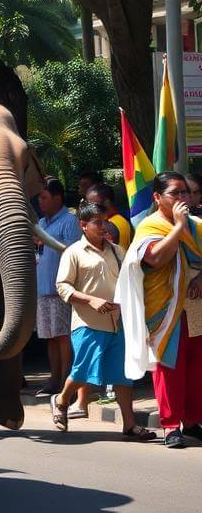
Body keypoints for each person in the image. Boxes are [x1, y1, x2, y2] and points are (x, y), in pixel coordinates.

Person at [50, 201, 156, 441]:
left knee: (123, 376)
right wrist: (91, 300)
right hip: (88, 323)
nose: (103, 226)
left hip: (118, 323)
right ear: (83, 225)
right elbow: (63, 286)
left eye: (105, 221)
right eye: (97, 222)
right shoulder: (74, 252)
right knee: (83, 372)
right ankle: (62, 399)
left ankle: (129, 425)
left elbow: (131, 280)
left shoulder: (118, 251)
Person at [115, 172, 202, 449]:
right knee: (169, 367)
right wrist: (178, 228)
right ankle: (170, 426)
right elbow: (154, 258)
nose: (182, 198)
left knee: (196, 368)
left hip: (195, 307)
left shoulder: (197, 225)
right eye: (175, 193)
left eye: (185, 192)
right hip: (164, 310)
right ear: (157, 197)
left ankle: (192, 421)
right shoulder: (150, 225)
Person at [35, 177, 82, 396]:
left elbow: (74, 253)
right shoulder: (41, 223)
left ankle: (66, 381)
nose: (40, 202)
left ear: (57, 198)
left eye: (44, 197)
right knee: (50, 338)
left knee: (63, 336)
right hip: (43, 291)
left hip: (61, 291)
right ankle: (54, 380)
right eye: (39, 197)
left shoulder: (69, 221)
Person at [86, 183, 132, 250]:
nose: (89, 208)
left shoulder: (107, 225)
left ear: (107, 202)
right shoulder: (121, 219)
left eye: (93, 205)